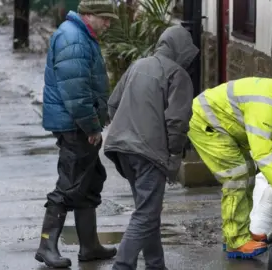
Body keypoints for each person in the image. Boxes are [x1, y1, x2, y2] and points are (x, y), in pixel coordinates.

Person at [187, 66, 272, 259]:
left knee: (249, 171)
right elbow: (261, 152)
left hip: (221, 127)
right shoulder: (267, 105)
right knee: (237, 175)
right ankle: (236, 241)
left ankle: (240, 233)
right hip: (206, 124)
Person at [103, 25, 199, 270]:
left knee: (147, 212)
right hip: (149, 153)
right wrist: (174, 157)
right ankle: (122, 266)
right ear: (181, 50)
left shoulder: (138, 65)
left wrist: (127, 128)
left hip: (121, 149)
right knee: (146, 214)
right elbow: (176, 123)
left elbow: (113, 104)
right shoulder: (178, 75)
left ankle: (156, 265)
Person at [35, 0, 119, 268]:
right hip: (75, 125)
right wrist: (92, 127)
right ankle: (46, 246)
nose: (108, 24)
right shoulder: (74, 38)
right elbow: (76, 91)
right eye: (104, 18)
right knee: (70, 185)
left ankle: (90, 246)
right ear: (88, 15)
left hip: (75, 122)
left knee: (90, 179)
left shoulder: (80, 35)